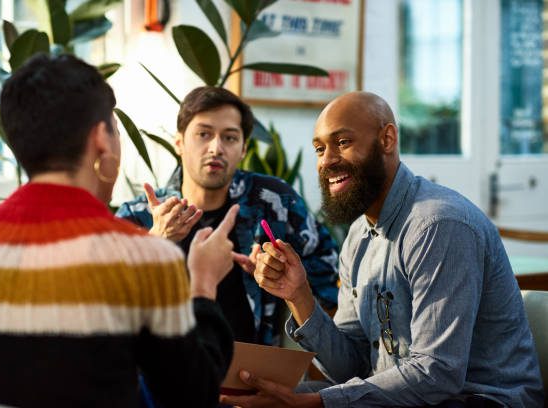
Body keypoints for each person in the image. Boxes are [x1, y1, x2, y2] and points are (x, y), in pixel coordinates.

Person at [0, 54, 236, 408]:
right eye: (116, 129)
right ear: (101, 140)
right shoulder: (145, 257)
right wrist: (202, 283)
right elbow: (191, 397)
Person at [221, 91, 545, 407]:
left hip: (478, 398)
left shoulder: (438, 225)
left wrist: (316, 401)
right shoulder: (359, 235)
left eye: (343, 142)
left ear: (387, 139)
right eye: (320, 149)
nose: (328, 160)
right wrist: (298, 295)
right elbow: (353, 367)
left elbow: (438, 374)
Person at [117, 86, 340, 346]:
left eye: (230, 137)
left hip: (252, 374)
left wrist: (285, 276)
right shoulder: (140, 215)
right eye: (203, 134)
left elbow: (331, 278)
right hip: (163, 374)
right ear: (179, 143)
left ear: (244, 148)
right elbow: (102, 304)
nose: (216, 148)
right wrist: (155, 241)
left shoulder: (273, 201)